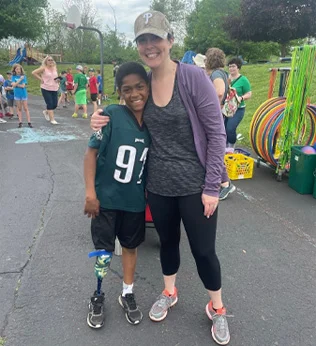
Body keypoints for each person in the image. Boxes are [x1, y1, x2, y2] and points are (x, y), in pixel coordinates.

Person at [91, 10, 231, 345]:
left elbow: (216, 134)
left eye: (156, 38)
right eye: (143, 39)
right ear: (138, 46)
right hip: (158, 187)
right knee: (167, 244)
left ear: (170, 40)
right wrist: (97, 121)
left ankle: (218, 307)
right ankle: (170, 291)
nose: (150, 45)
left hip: (197, 187)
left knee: (204, 251)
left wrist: (212, 186)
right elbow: (123, 113)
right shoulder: (144, 81)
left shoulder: (193, 78)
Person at [84, 62, 150, 329]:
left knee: (131, 247)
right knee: (103, 250)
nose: (135, 93)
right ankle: (98, 294)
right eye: (127, 89)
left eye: (140, 87)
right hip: (107, 199)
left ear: (148, 87)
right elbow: (91, 154)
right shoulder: (110, 114)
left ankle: (127, 292)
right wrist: (90, 193)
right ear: (120, 92)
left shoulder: (154, 120)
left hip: (134, 201)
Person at [205, 47, 236, 200]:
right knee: (213, 149)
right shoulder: (223, 74)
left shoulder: (216, 74)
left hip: (214, 116)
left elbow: (218, 92)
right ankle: (223, 182)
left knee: (213, 150)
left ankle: (225, 183)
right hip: (218, 115)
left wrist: (210, 110)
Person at [226, 57, 252, 150]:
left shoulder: (243, 80)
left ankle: (231, 147)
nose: (231, 69)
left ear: (238, 67)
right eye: (229, 66)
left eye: (233, 66)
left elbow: (249, 94)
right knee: (223, 129)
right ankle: (223, 149)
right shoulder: (226, 78)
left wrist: (241, 98)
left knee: (230, 128)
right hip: (226, 108)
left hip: (238, 109)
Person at [32, 55, 59, 125]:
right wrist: (41, 79)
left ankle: (46, 112)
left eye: (51, 60)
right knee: (49, 103)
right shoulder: (43, 68)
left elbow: (56, 76)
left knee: (55, 104)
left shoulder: (55, 67)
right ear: (46, 61)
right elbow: (33, 72)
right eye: (49, 60)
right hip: (46, 88)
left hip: (55, 87)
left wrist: (58, 79)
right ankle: (52, 119)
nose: (50, 61)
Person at [11, 64, 32, 128]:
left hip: (23, 94)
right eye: (17, 69)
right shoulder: (13, 77)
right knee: (19, 108)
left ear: (21, 69)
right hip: (17, 94)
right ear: (14, 70)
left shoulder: (24, 76)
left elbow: (23, 86)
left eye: (19, 69)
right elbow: (13, 85)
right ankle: (20, 122)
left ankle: (29, 122)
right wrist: (19, 80)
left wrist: (16, 84)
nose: (18, 70)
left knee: (25, 108)